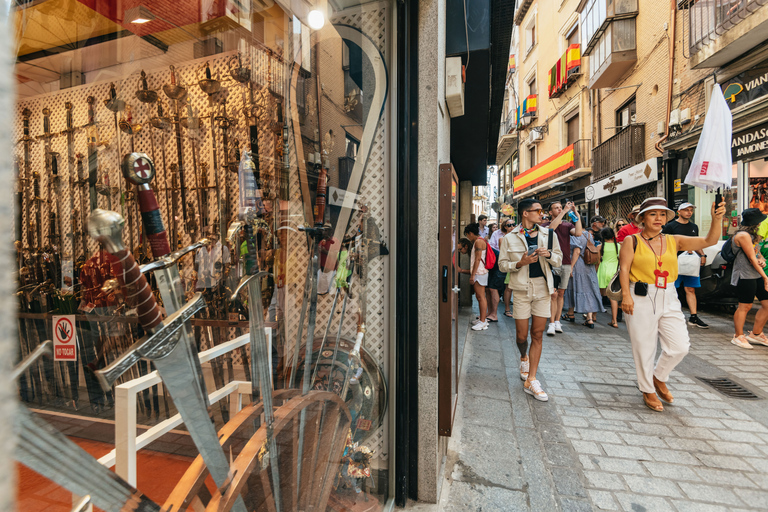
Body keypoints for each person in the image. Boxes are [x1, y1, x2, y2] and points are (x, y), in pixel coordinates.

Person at [619, 197, 725, 412]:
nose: (658, 218)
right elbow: (623, 269)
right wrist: (626, 296)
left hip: (668, 294)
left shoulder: (673, 240)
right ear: (643, 218)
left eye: (662, 214)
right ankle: (647, 388)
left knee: (680, 346)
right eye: (653, 214)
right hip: (640, 294)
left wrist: (716, 219)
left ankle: (659, 376)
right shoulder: (632, 240)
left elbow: (710, 241)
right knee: (644, 346)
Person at [498, 198, 563, 402]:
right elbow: (502, 265)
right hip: (521, 289)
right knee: (521, 336)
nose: (541, 214)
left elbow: (559, 259)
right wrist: (520, 262)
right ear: (525, 213)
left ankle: (532, 379)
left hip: (543, 288)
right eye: (537, 211)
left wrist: (549, 254)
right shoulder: (510, 237)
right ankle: (523, 357)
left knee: (537, 333)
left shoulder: (548, 233)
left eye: (542, 211)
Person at [662, 202, 709, 328]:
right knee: (672, 288)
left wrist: (702, 255)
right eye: (686, 210)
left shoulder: (694, 227)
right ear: (679, 212)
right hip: (674, 262)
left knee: (691, 289)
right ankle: (671, 314)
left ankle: (693, 316)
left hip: (690, 262)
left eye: (691, 210)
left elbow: (696, 242)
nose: (689, 212)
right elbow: (665, 244)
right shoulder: (670, 226)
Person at [542, 201, 582, 336]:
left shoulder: (567, 225)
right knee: (552, 294)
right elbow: (551, 229)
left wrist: (576, 215)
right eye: (556, 208)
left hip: (565, 262)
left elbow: (578, 233)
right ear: (550, 212)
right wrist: (564, 212)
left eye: (561, 207)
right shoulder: (545, 225)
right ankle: (551, 323)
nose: (559, 209)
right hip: (551, 262)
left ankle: (558, 321)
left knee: (561, 294)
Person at [729, 208, 768, 349]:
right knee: (745, 306)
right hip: (744, 275)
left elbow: (757, 254)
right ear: (755, 222)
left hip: (756, 274)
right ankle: (738, 336)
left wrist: (762, 259)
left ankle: (756, 334)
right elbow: (751, 258)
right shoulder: (743, 235)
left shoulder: (752, 235)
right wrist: (765, 277)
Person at [568, 229, 605, 329]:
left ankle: (571, 313)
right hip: (589, 264)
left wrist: (571, 266)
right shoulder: (588, 235)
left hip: (578, 264)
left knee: (575, 287)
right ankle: (589, 318)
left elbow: (576, 251)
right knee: (589, 290)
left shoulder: (574, 235)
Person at [464, 223, 489, 331]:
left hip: (480, 272)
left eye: (467, 235)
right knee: (480, 297)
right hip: (480, 271)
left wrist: (472, 275)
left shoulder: (479, 241)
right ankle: (482, 319)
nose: (468, 238)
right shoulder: (480, 240)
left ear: (470, 233)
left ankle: (483, 321)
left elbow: (478, 259)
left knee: (481, 296)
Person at [487, 219, 513, 321]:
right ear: (505, 226)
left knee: (505, 287)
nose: (512, 226)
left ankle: (494, 314)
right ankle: (493, 313)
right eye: (509, 225)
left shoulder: (518, 236)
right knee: (493, 288)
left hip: (513, 264)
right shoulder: (500, 237)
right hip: (500, 263)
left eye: (513, 224)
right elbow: (501, 252)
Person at [598, 227, 620, 327]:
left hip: (602, 270)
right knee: (613, 297)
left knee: (597, 294)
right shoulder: (618, 246)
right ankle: (614, 320)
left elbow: (598, 262)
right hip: (613, 272)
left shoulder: (600, 246)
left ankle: (592, 316)